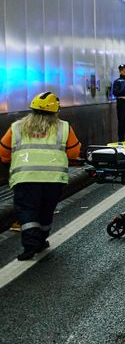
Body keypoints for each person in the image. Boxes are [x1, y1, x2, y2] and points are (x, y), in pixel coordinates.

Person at [0, 92, 82, 260]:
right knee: (46, 210)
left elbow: (3, 153)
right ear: (55, 111)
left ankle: (31, 245)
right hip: (53, 180)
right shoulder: (63, 127)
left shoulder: (17, 127)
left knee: (27, 210)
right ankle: (41, 239)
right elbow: (74, 153)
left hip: (25, 178)